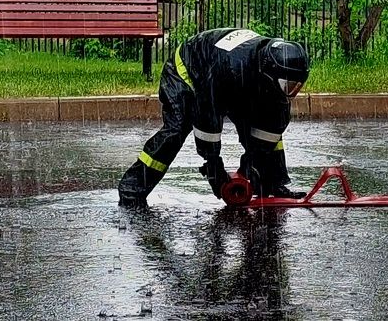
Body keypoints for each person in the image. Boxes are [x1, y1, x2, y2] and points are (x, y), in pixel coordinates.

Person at [118, 27, 310, 208]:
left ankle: (272, 185)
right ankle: (132, 191)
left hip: (238, 80)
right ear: (270, 73)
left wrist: (252, 165)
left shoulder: (268, 73)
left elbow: (270, 130)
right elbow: (207, 118)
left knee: (267, 120)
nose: (293, 91)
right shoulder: (228, 70)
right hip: (187, 72)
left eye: (298, 86)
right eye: (289, 85)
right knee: (176, 130)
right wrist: (213, 164)